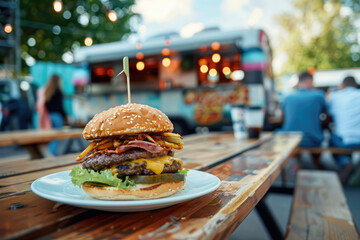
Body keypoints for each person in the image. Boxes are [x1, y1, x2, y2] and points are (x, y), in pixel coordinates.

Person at [280, 71, 327, 148]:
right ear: (309, 81)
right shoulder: (319, 95)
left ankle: (297, 158)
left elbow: (283, 118)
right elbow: (326, 113)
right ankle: (315, 160)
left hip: (289, 139)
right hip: (313, 140)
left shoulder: (287, 97)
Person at [328, 76, 360, 182]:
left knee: (332, 138)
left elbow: (328, 115)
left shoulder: (335, 96)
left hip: (343, 141)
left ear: (342, 85)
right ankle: (349, 165)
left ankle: (344, 162)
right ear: (355, 85)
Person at [37, 74, 67, 155]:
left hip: (49, 116)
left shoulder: (46, 92)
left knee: (51, 137)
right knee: (56, 138)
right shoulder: (58, 91)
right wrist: (65, 116)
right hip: (57, 117)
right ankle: (53, 155)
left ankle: (51, 153)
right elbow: (60, 107)